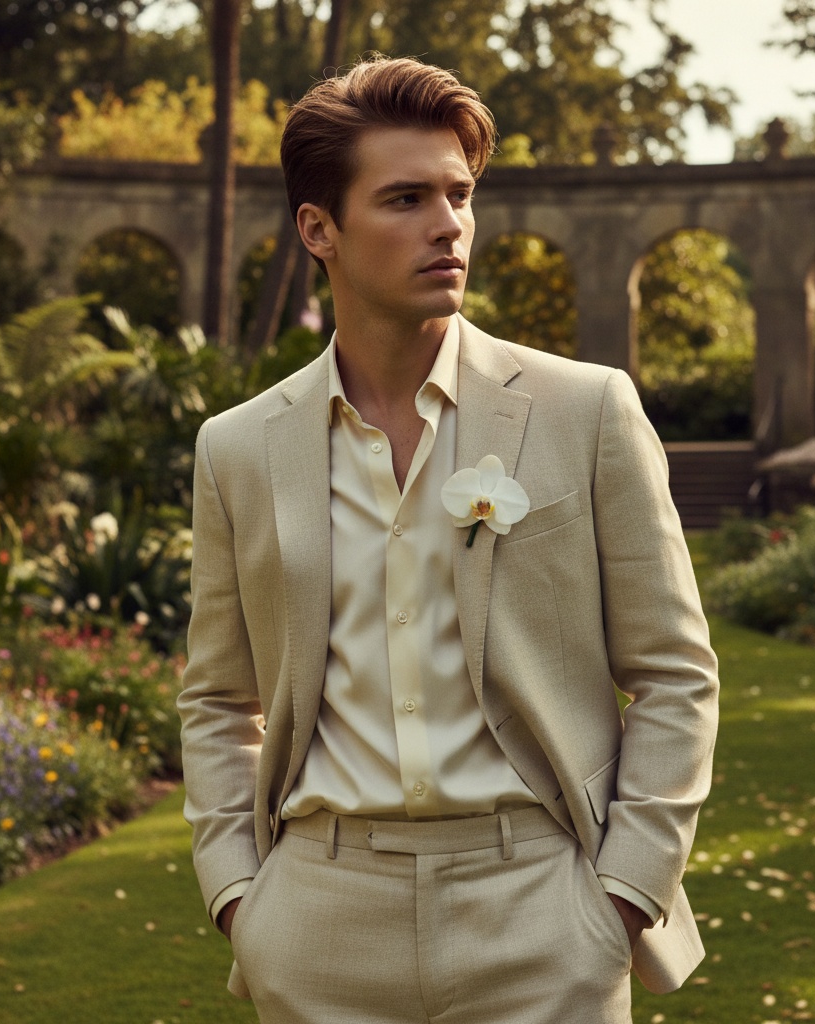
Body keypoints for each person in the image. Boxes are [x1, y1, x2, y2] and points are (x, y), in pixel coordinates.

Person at [178, 55, 719, 1024]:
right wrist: (239, 897)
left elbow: (675, 672)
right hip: (318, 919)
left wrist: (622, 891)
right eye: (404, 198)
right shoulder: (237, 448)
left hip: (542, 912)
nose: (448, 224)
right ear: (319, 229)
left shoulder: (584, 409)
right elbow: (221, 695)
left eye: (459, 195)